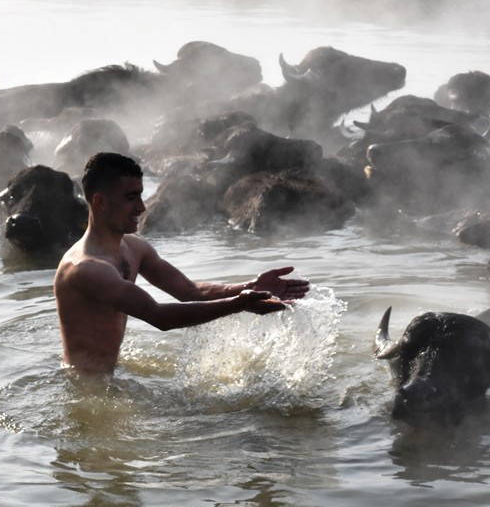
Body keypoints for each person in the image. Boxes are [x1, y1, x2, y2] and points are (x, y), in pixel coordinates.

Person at [54, 152, 310, 375]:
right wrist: (238, 305)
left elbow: (189, 291)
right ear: (99, 202)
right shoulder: (85, 268)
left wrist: (249, 286)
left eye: (141, 196)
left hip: (112, 375)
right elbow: (160, 317)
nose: (142, 207)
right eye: (131, 198)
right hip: (85, 387)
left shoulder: (134, 247)